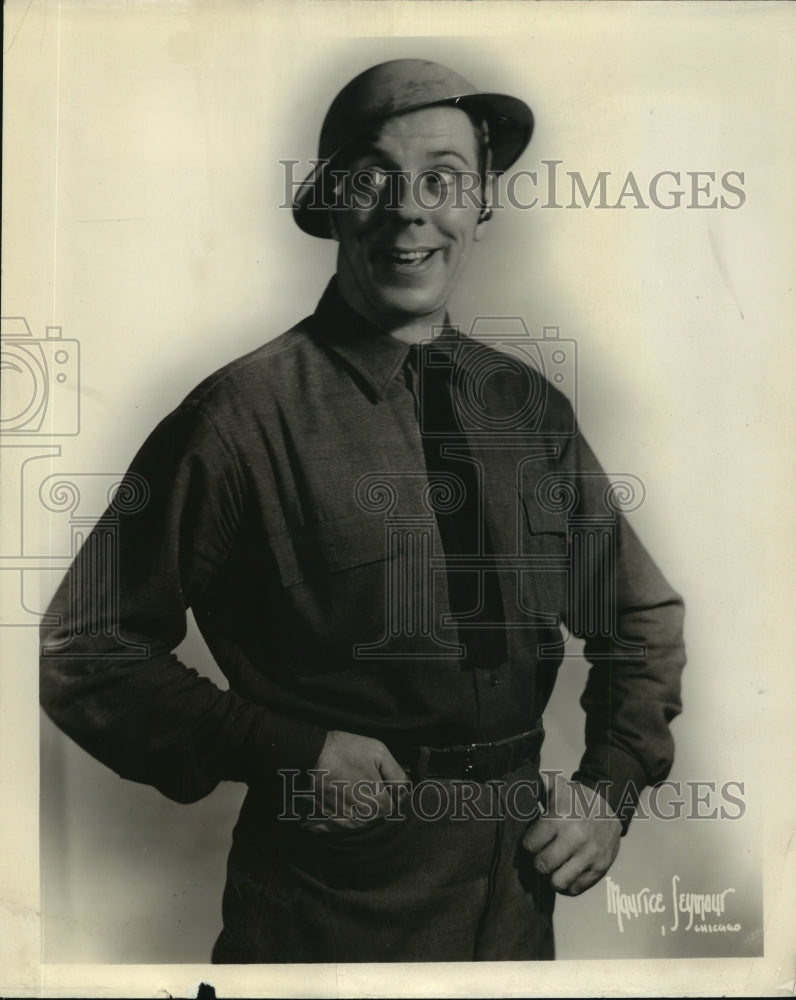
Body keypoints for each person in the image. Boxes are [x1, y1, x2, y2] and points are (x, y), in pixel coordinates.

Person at [40, 59, 686, 962]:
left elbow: (640, 617)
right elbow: (83, 650)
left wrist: (608, 789)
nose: (409, 210)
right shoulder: (235, 421)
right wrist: (285, 749)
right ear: (333, 204)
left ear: (481, 205)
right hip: (328, 906)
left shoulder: (531, 411)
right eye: (372, 177)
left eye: (443, 179)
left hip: (516, 897)